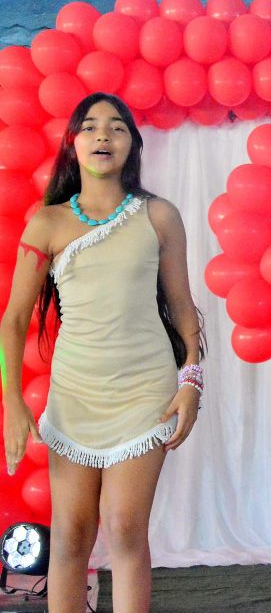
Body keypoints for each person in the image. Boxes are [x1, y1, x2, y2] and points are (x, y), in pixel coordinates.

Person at [0, 92, 205, 613]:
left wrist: (191, 382)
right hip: (75, 397)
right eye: (90, 126)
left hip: (144, 393)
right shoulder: (46, 223)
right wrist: (14, 404)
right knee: (70, 535)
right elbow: (13, 321)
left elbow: (183, 308)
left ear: (132, 144)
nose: (103, 136)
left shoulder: (158, 215)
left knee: (125, 528)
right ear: (73, 143)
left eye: (116, 127)